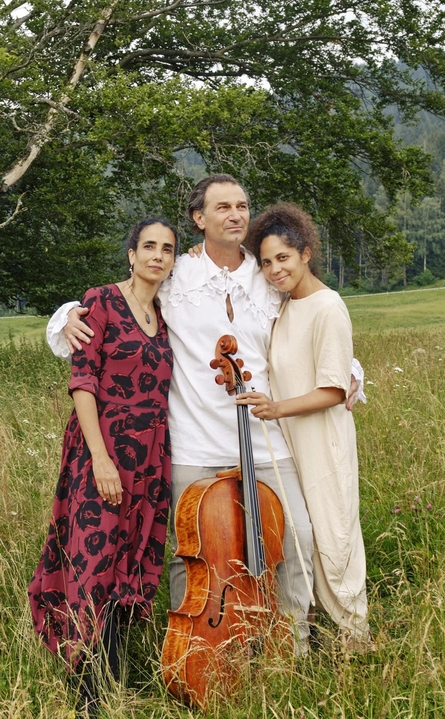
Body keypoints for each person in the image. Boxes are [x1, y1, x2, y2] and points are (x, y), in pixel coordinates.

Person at [48, 174, 365, 653]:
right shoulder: (177, 275)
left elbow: (310, 325)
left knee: (296, 540)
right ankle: (194, 650)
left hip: (266, 441)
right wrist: (69, 313)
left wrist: (351, 370)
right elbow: (124, 295)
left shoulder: (269, 277)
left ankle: (290, 647)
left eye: (242, 206)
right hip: (195, 444)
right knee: (191, 555)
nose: (236, 214)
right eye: (223, 207)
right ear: (199, 218)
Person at [28, 218, 178, 716]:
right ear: (131, 255)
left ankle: (111, 679)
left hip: (150, 460)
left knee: (126, 566)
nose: (158, 255)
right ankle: (87, 696)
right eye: (149, 247)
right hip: (104, 451)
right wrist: (99, 458)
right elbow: (82, 380)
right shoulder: (100, 301)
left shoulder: (162, 312)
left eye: (168, 249)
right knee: (93, 566)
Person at [234, 202, 370, 646]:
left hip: (322, 441)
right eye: (267, 261)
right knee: (302, 542)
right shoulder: (283, 307)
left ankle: (356, 639)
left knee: (334, 539)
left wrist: (276, 408)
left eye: (284, 258)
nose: (275, 270)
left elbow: (333, 389)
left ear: (306, 253)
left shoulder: (328, 306)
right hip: (292, 443)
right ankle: (305, 636)